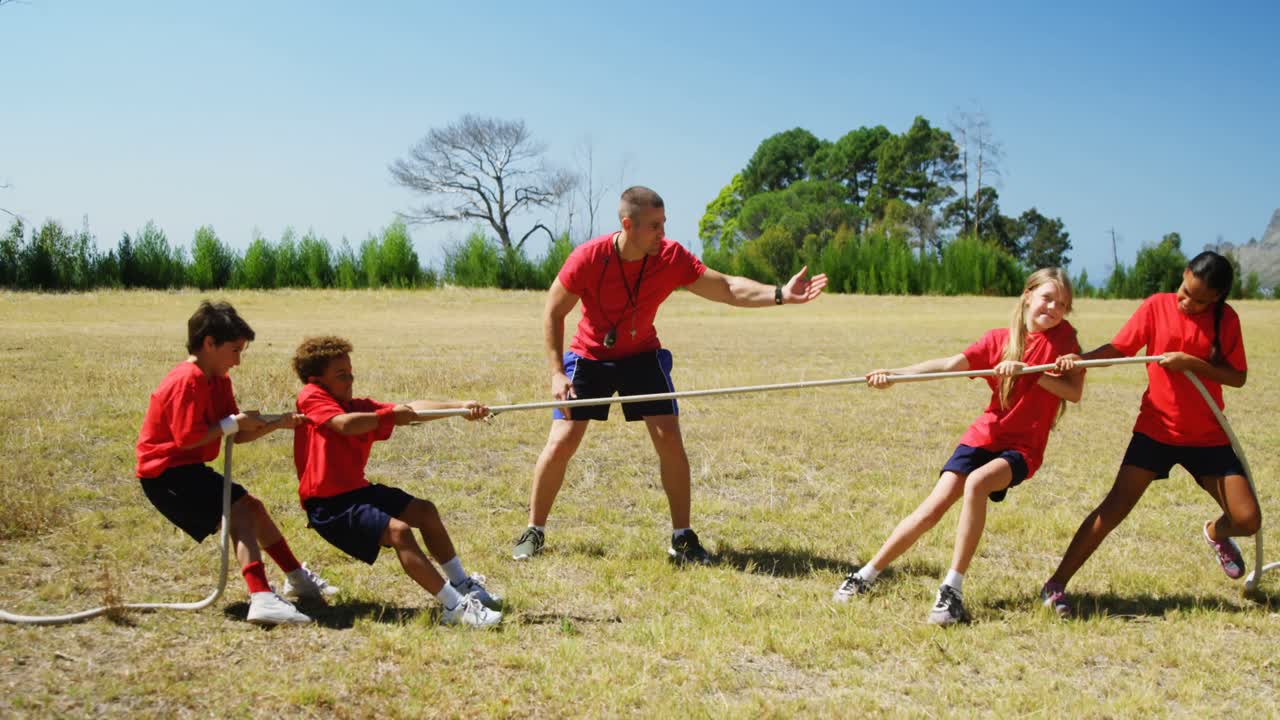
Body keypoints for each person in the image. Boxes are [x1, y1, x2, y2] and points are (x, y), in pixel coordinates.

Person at [512, 185, 828, 564]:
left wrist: (780, 294)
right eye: (654, 226)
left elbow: (726, 287)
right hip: (589, 356)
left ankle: (682, 538)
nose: (662, 233)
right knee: (563, 440)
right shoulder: (590, 258)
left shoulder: (669, 257)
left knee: (670, 440)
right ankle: (535, 529)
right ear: (628, 225)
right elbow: (553, 311)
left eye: (664, 224)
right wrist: (555, 373)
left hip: (643, 355)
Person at [833, 268, 1083, 626]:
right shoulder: (998, 340)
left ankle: (952, 591)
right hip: (984, 436)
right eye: (1047, 298)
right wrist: (895, 375)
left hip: (1023, 448)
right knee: (931, 510)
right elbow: (949, 365)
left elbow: (1073, 393)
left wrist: (1033, 372)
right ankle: (867, 575)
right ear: (1028, 296)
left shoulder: (1065, 342)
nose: (1054, 308)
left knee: (978, 483)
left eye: (1062, 303)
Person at [1039, 251, 1258, 618]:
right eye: (1185, 291)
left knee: (1248, 520)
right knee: (1114, 507)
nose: (1188, 303)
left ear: (1218, 298)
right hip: (1156, 430)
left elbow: (1237, 377)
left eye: (1200, 300)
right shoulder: (1157, 306)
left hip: (1207, 435)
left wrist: (1191, 363)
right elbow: (1120, 348)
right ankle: (1056, 583)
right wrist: (1082, 359)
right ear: (1184, 275)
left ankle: (1216, 534)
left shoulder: (1227, 320)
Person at [137, 301, 336, 627]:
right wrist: (233, 422)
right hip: (165, 476)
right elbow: (188, 437)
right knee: (241, 510)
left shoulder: (218, 379)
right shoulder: (186, 380)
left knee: (251, 509)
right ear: (209, 343)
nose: (238, 360)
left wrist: (276, 424)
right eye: (234, 350)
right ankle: (260, 597)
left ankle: (296, 577)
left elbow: (234, 434)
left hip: (186, 470)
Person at [291, 336, 502, 628]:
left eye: (351, 372)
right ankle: (455, 608)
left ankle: (463, 584)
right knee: (399, 532)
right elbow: (344, 425)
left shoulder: (358, 406)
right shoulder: (311, 397)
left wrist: (460, 407)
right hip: (329, 505)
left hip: (357, 491)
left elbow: (411, 410)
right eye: (341, 375)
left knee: (425, 511)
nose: (350, 379)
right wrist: (388, 415)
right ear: (317, 380)